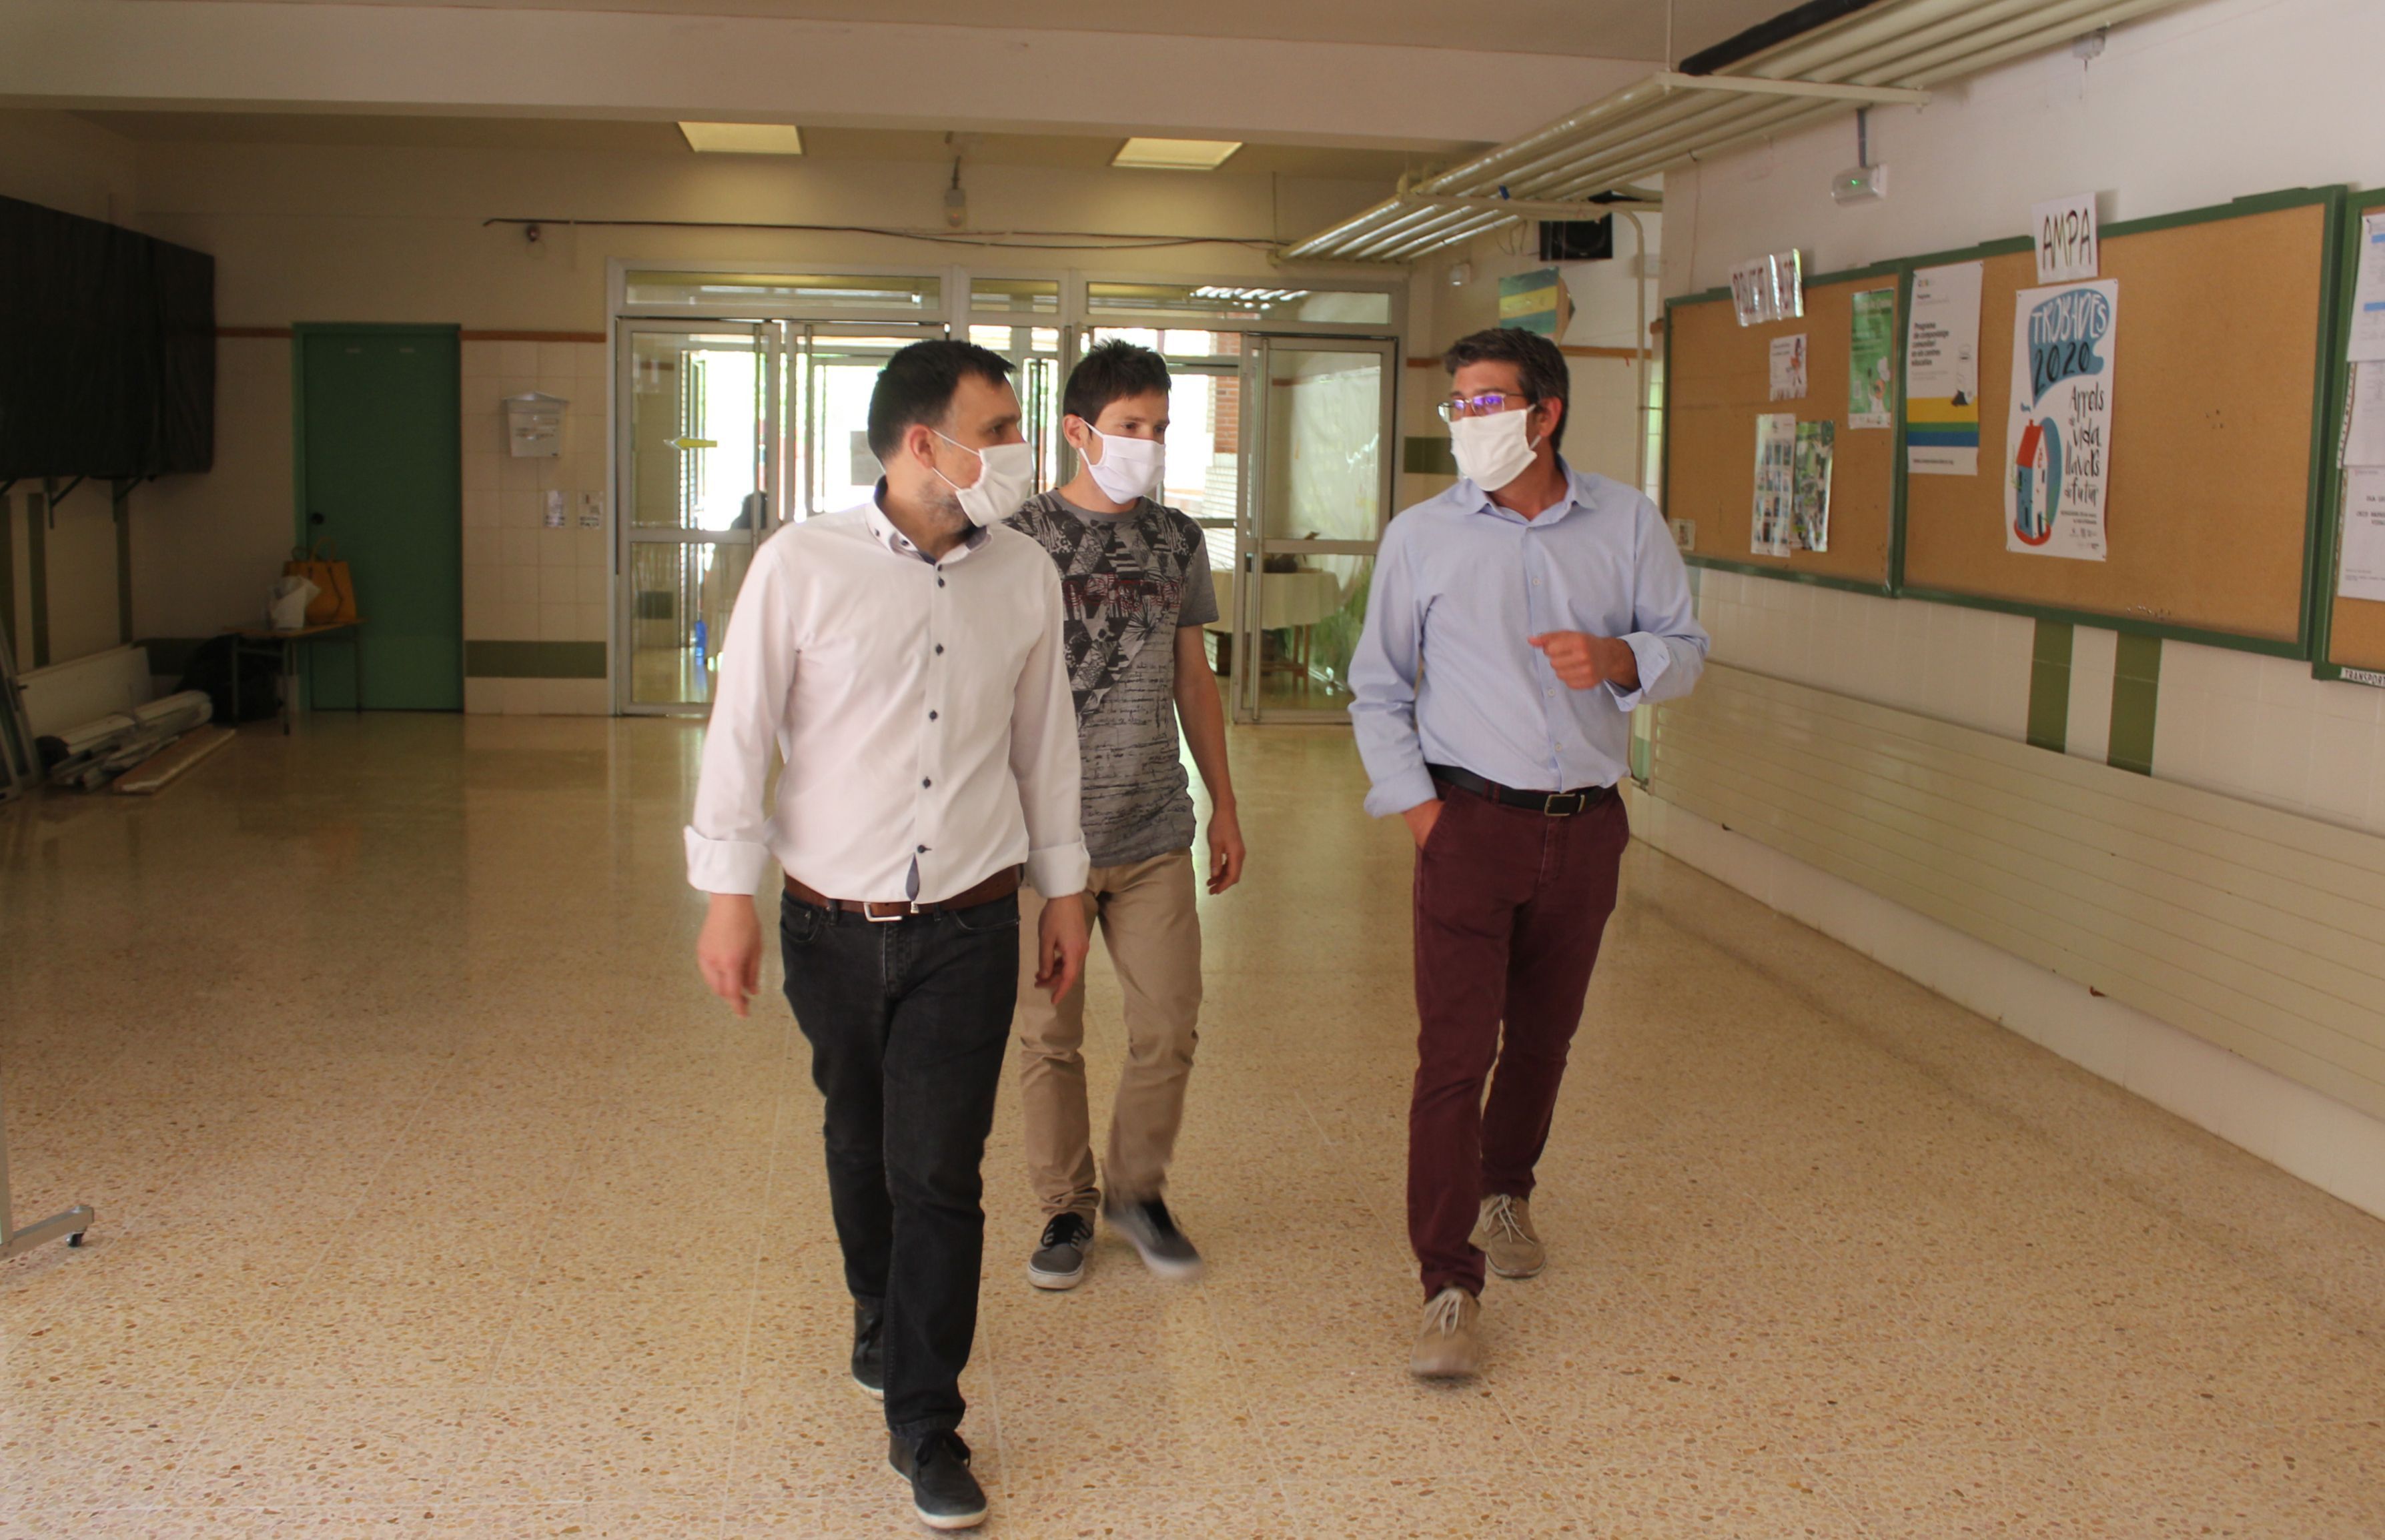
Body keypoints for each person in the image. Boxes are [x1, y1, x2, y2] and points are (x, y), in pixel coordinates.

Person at [688, 339, 1091, 1532]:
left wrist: (1064, 889)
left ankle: (927, 1420)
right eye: (999, 428)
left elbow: (1045, 742)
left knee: (941, 1170)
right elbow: (740, 727)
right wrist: (726, 892)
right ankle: (875, 1297)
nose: (1017, 450)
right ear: (926, 443)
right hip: (830, 923)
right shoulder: (802, 563)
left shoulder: (1025, 574)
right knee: (857, 1135)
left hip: (970, 920)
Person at [1348, 325, 1707, 1379]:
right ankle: (1446, 1283)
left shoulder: (1626, 523)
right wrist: (1426, 817)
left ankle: (1507, 1188)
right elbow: (1377, 687)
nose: (1466, 421)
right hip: (1468, 822)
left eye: (1486, 403)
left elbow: (1686, 652)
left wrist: (1619, 657)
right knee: (1454, 1055)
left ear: (1544, 415)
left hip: (1585, 827)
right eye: (1458, 404)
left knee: (1544, 1040)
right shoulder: (1421, 536)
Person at [1001, 340, 1247, 1291]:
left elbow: (1195, 677)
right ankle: (1065, 1205)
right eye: (1130, 426)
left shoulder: (1178, 541)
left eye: (1160, 427)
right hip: (1043, 844)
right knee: (1048, 1035)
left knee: (1169, 1024)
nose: (1148, 443)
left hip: (1152, 833)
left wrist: (1224, 803)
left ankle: (1138, 1192)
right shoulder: (1018, 538)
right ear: (1079, 431)